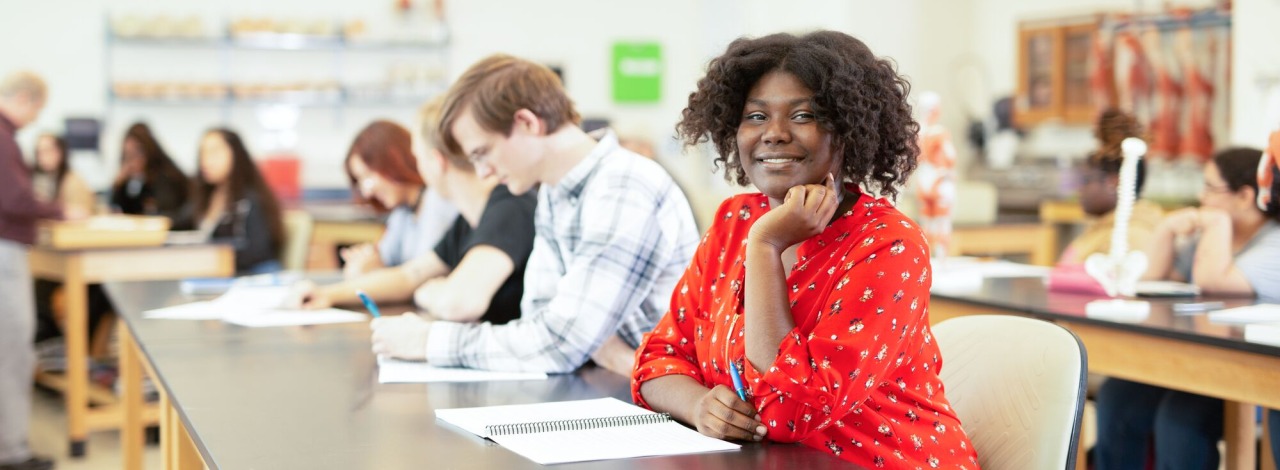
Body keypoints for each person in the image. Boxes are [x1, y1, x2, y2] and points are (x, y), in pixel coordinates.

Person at [630, 31, 979, 467]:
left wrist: (766, 246)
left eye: (803, 115)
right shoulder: (734, 220)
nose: (773, 134)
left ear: (849, 130)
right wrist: (700, 405)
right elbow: (658, 360)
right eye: (756, 116)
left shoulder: (888, 245)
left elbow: (790, 412)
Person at [369, 54, 699, 376]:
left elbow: (558, 344)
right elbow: (540, 323)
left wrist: (430, 341)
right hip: (610, 384)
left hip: (657, 404)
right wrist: (588, 345)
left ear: (527, 123)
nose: (483, 173)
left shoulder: (624, 187)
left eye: (483, 153)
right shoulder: (556, 193)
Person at [1094, 147, 1280, 470]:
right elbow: (1155, 277)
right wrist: (1166, 229)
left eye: (1210, 188)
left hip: (1251, 376)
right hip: (1198, 363)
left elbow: (1213, 282)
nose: (1200, 196)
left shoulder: (1273, 242)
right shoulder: (1210, 238)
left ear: (1245, 196)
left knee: (1177, 419)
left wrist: (1218, 223)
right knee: (1117, 398)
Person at [294, 98, 536, 326]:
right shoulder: (468, 221)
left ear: (436, 161)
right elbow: (408, 277)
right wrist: (327, 295)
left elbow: (459, 303)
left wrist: (427, 293)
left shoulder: (510, 206)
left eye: (418, 157)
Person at [0, 70, 67, 470]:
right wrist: (58, 211)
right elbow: (14, 199)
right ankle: (12, 451)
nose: (36, 118)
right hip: (5, 252)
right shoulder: (4, 140)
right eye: (37, 109)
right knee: (12, 351)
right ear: (25, 100)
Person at [1050, 110, 1164, 296]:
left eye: (1086, 180)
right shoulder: (1102, 228)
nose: (1079, 189)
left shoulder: (1135, 235)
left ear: (1114, 182)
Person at [342, 120, 457, 278]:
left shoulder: (438, 200)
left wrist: (372, 269)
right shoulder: (403, 212)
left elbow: (421, 274)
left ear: (393, 160)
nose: (367, 192)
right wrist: (369, 260)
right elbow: (382, 259)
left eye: (368, 176)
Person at [189, 129, 287, 274]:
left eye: (214, 152)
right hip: (218, 274)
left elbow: (258, 250)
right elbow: (179, 220)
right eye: (202, 153)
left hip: (251, 276)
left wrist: (212, 258)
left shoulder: (250, 198)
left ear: (236, 154)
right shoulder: (208, 196)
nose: (206, 161)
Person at [109, 122, 190, 228]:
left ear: (148, 151)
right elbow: (123, 211)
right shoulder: (136, 181)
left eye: (136, 153)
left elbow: (164, 216)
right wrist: (118, 185)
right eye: (127, 156)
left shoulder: (166, 177)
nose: (132, 162)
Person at [30, 133, 94, 215]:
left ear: (60, 152)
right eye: (39, 152)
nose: (42, 157)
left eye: (47, 151)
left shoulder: (73, 182)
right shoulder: (35, 180)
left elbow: (81, 214)